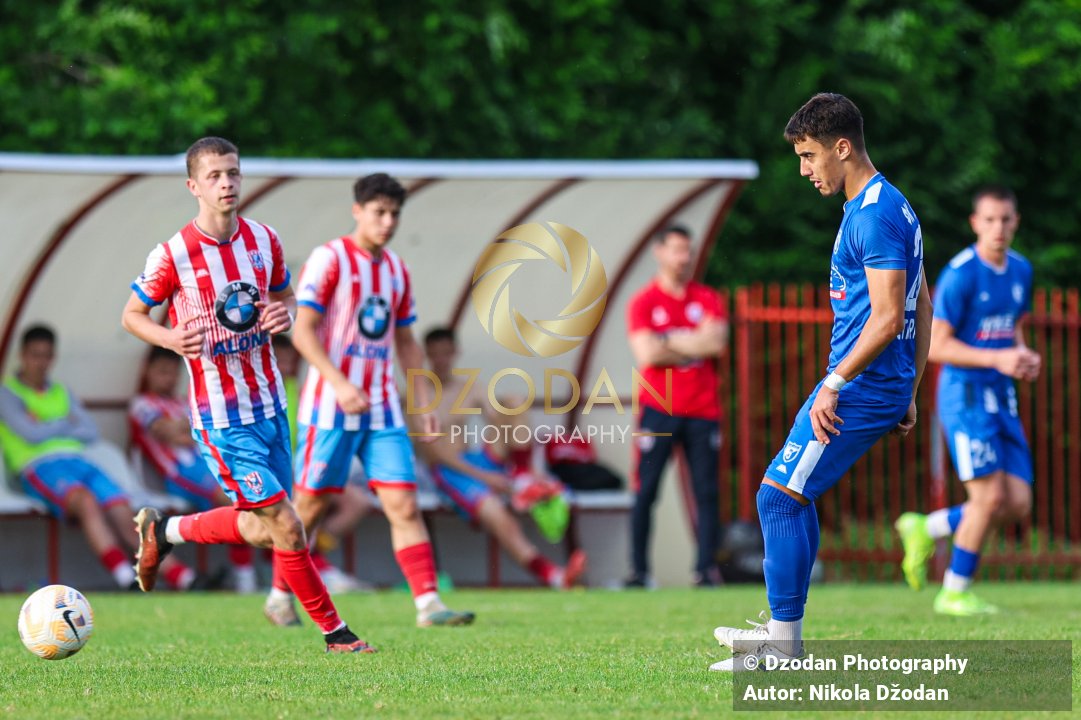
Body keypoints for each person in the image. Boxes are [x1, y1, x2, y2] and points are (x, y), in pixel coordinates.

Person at [121, 136, 374, 653]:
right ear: (194, 186)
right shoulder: (173, 254)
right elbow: (131, 315)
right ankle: (336, 633)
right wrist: (170, 338)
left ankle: (165, 531)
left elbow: (286, 297)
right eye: (214, 176)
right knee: (285, 524)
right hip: (222, 418)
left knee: (267, 531)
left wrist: (285, 312)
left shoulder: (264, 239)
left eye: (233, 173)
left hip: (272, 409)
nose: (227, 183)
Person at [709, 93, 932, 671]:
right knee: (791, 494)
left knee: (776, 498)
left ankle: (784, 647)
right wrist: (910, 387)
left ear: (841, 147)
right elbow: (922, 301)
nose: (804, 170)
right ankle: (785, 633)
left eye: (809, 156)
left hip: (858, 385)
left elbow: (889, 317)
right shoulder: (889, 206)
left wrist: (838, 382)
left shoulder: (876, 213)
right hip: (873, 383)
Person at [277, 172, 473, 628]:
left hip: (382, 408)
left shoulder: (396, 270)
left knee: (403, 503)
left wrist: (421, 396)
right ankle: (279, 594)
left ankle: (428, 604)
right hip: (329, 404)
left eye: (394, 214)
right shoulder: (329, 259)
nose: (387, 222)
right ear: (357, 211)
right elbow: (302, 333)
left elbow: (405, 342)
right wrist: (340, 383)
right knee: (308, 508)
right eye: (379, 212)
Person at [895, 186, 1039, 616]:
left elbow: (1013, 328)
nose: (999, 228)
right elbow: (937, 346)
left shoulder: (1021, 270)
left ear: (1016, 222)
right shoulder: (961, 274)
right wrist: (998, 357)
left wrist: (1023, 355)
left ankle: (926, 526)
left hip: (1002, 396)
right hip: (966, 395)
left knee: (1017, 503)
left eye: (1007, 219)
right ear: (975, 223)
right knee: (989, 497)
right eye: (990, 220)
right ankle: (954, 591)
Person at [0, 325, 197, 591]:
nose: (41, 363)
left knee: (122, 510)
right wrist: (65, 423)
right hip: (38, 466)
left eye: (47, 356)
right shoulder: (7, 393)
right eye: (35, 355)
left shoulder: (61, 390)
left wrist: (47, 425)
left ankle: (184, 578)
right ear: (22, 355)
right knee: (86, 502)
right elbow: (30, 434)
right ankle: (124, 577)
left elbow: (89, 431)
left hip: (78, 460)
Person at [416, 327, 587, 589]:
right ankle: (553, 576)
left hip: (476, 461)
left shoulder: (469, 387)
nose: (441, 360)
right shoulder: (420, 396)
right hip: (449, 471)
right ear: (426, 355)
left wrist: (534, 465)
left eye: (446, 353)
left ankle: (524, 474)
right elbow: (435, 452)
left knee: (514, 401)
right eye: (435, 354)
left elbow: (500, 419)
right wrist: (487, 477)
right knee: (498, 515)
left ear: (455, 353)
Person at [625, 225, 728, 588]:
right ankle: (639, 571)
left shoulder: (709, 298)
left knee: (706, 492)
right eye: (677, 250)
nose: (684, 258)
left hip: (703, 409)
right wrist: (691, 340)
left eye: (688, 250)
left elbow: (715, 344)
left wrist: (668, 339)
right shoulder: (643, 301)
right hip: (658, 407)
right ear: (659, 252)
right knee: (646, 490)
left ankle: (704, 571)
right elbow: (647, 353)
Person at [129, 346, 257, 592]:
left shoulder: (181, 402)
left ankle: (256, 573)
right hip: (179, 473)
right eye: (162, 372)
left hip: (205, 464)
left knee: (253, 500)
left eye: (172, 373)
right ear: (148, 371)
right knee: (234, 501)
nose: (168, 378)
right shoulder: (141, 404)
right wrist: (186, 429)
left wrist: (183, 430)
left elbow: (200, 432)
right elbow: (165, 431)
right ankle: (245, 579)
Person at [270, 334, 372, 599]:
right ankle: (298, 572)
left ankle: (314, 558)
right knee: (301, 509)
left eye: (292, 359)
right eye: (281, 360)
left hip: (299, 468)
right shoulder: (264, 393)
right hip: (274, 472)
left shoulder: (298, 388)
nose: (288, 365)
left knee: (356, 502)